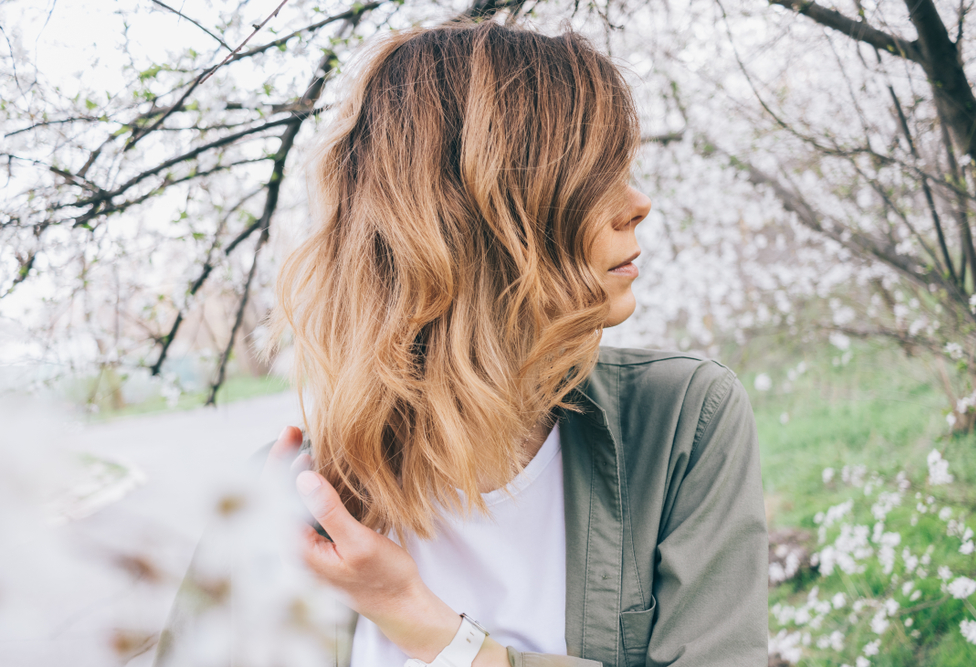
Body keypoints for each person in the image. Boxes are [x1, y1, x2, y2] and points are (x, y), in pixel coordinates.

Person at [155, 19, 768, 667]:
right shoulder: (291, 499)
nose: (638, 202)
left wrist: (434, 633)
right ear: (476, 214)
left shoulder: (680, 422)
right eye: (596, 174)